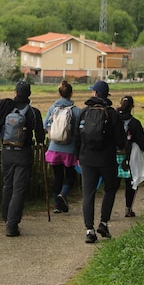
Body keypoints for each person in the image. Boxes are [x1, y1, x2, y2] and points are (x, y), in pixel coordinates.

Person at [0, 80, 45, 237]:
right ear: (29, 94)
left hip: (7, 152)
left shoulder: (5, 108)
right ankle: (12, 225)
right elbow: (39, 139)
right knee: (19, 189)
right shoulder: (33, 113)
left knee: (8, 186)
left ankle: (6, 218)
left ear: (15, 92)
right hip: (24, 153)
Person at [75, 80, 123, 243]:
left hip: (87, 159)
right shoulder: (112, 114)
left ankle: (89, 230)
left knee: (88, 194)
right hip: (107, 160)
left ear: (95, 93)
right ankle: (103, 222)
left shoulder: (83, 113)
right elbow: (121, 141)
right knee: (110, 189)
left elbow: (77, 137)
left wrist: (78, 156)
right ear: (106, 95)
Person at [43, 80, 81, 213]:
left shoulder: (53, 109)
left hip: (54, 148)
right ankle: (62, 195)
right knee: (71, 176)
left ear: (59, 93)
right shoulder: (76, 111)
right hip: (69, 150)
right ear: (71, 94)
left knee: (57, 176)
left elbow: (45, 125)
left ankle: (57, 205)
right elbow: (80, 129)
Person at [117, 95, 144, 217]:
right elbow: (141, 142)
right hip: (130, 157)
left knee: (112, 185)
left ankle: (106, 212)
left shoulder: (114, 120)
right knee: (130, 183)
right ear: (132, 107)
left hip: (114, 155)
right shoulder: (135, 123)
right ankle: (128, 208)